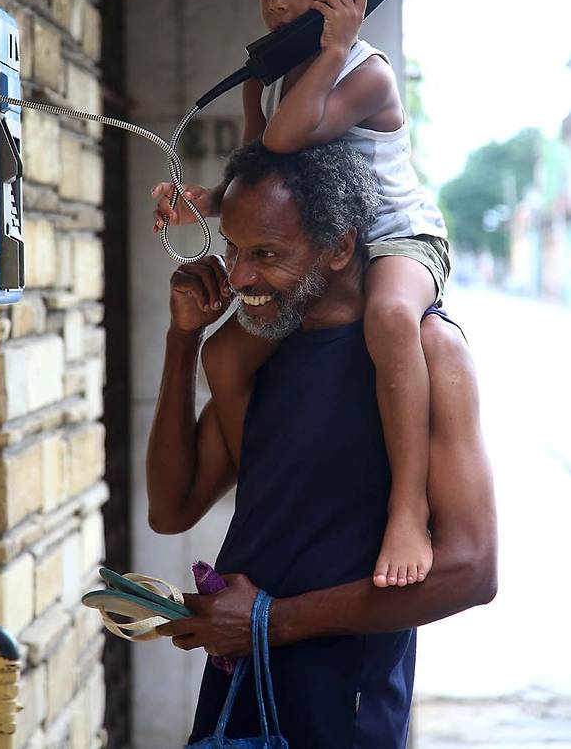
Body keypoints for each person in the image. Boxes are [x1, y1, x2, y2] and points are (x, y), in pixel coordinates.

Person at [146, 139, 497, 749]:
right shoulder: (252, 356)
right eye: (232, 248)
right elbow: (170, 508)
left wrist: (267, 621)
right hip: (236, 700)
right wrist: (183, 342)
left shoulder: (430, 353)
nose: (238, 275)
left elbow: (472, 572)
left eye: (266, 254)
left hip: (345, 712)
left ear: (340, 247)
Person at [152, 0, 449, 588]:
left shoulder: (366, 71)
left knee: (389, 316)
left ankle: (408, 503)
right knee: (226, 349)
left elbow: (287, 139)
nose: (278, 4)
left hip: (400, 238)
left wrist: (336, 44)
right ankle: (263, 492)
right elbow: (265, 165)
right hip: (328, 254)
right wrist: (207, 199)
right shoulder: (291, 76)